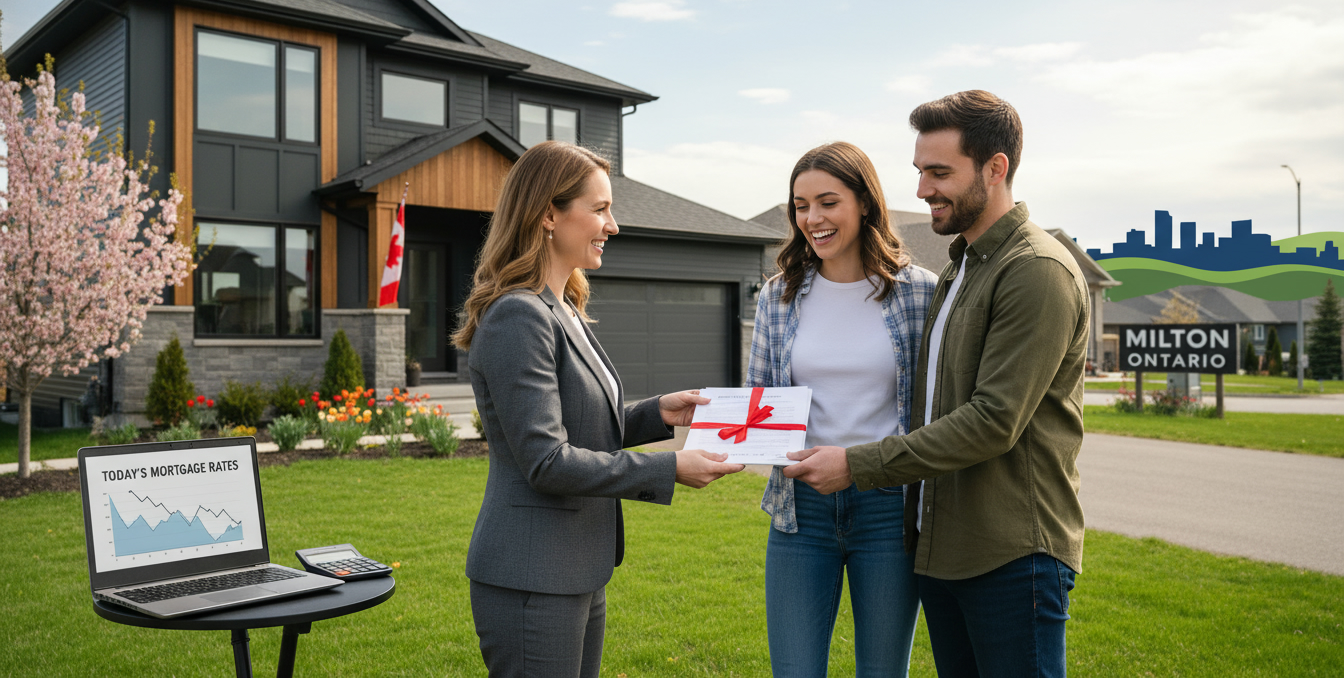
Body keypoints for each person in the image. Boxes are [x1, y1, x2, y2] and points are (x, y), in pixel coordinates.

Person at [784, 91, 1089, 678]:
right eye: (920, 171)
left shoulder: (1035, 271)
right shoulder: (961, 268)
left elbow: (993, 419)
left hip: (1012, 552)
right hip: (943, 548)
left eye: (940, 172)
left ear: (995, 168)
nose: (922, 189)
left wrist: (858, 463)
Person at [453, 140, 744, 678]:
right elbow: (547, 460)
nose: (613, 225)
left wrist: (660, 413)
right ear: (547, 214)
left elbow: (581, 424)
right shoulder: (518, 316)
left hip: (575, 569)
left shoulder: (562, 308)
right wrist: (670, 468)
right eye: (600, 209)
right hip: (531, 576)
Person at [749, 142, 937, 677]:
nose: (813, 218)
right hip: (800, 511)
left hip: (889, 510)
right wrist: (728, 435)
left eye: (828, 202)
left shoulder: (918, 293)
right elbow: (760, 396)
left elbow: (935, 408)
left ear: (864, 204)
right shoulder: (778, 296)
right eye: (800, 205)